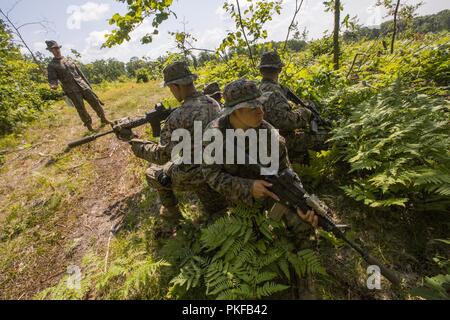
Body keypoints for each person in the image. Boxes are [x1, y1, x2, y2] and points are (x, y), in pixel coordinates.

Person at [114, 61, 227, 235]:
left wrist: (133, 140)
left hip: (197, 173)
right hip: (220, 167)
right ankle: (216, 206)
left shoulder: (177, 117)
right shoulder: (213, 102)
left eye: (170, 88)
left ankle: (172, 213)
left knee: (154, 172)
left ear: (175, 86)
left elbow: (161, 156)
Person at [258, 51, 329, 162]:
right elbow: (284, 123)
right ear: (280, 69)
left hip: (262, 142)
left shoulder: (257, 90)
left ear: (261, 70)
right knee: (326, 137)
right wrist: (305, 113)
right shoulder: (275, 91)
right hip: (276, 143)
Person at [46, 40, 111, 131]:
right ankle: (89, 127)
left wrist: (88, 85)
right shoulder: (51, 65)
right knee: (81, 108)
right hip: (71, 90)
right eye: (54, 49)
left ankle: (103, 119)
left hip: (83, 85)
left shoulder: (69, 60)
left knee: (95, 101)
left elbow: (81, 74)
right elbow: (52, 79)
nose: (56, 50)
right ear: (50, 51)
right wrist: (53, 85)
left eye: (57, 48)